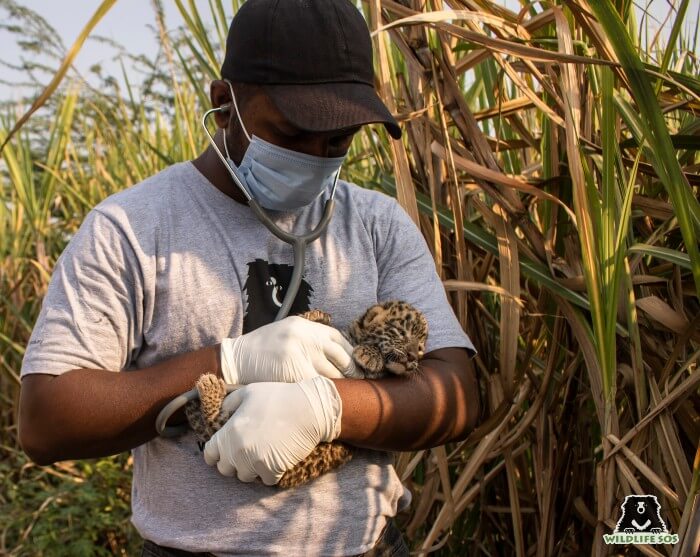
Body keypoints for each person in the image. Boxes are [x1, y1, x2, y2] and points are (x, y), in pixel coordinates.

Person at [18, 0, 480, 555]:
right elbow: (47, 421)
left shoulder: (378, 225)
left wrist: (327, 408)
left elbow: (455, 392)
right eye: (290, 134)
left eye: (337, 143)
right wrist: (227, 363)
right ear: (224, 102)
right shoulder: (134, 229)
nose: (315, 159)